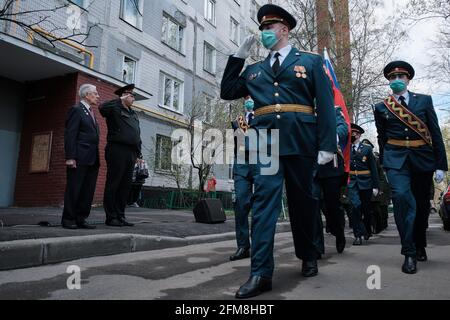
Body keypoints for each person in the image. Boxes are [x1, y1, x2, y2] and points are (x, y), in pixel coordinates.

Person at [221, 4, 337, 299]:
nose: (263, 34)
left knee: (304, 202)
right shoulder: (254, 70)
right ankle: (260, 273)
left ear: (284, 29)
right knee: (263, 208)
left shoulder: (309, 62)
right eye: (261, 29)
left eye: (268, 28)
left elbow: (324, 104)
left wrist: (327, 145)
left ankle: (308, 254)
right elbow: (227, 90)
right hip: (265, 141)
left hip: (301, 139)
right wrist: (238, 57)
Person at [374, 61, 448, 274]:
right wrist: (384, 163)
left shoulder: (424, 101)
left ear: (408, 79)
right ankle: (409, 252)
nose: (397, 80)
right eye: (392, 78)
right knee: (401, 200)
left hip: (422, 159)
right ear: (389, 81)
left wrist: (441, 164)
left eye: (401, 77)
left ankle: (420, 243)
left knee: (422, 206)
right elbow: (382, 137)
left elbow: (435, 133)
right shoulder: (382, 107)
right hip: (396, 160)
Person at [100, 84, 143, 227]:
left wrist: (139, 153)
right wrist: (119, 99)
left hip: (131, 152)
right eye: (131, 95)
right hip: (117, 149)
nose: (133, 98)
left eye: (133, 95)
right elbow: (102, 108)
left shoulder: (133, 113)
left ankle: (120, 215)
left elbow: (137, 134)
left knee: (125, 185)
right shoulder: (114, 108)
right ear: (123, 95)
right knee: (114, 183)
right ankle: (111, 217)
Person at [62, 84, 100, 230]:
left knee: (87, 191)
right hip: (79, 158)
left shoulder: (91, 112)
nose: (98, 96)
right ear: (86, 95)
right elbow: (70, 135)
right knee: (74, 189)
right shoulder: (76, 110)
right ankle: (68, 219)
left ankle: (81, 219)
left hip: (92, 159)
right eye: (95, 93)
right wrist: (70, 157)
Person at [316, 106, 349, 254]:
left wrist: (331, 136)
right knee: (313, 205)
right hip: (310, 164)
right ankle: (316, 246)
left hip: (330, 165)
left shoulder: (333, 109)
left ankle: (338, 232)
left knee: (332, 205)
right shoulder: (303, 106)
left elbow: (342, 127)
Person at [230, 96, 255, 261]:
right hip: (242, 165)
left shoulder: (265, 116)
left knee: (261, 207)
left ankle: (260, 245)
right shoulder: (238, 120)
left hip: (263, 163)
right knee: (240, 203)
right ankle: (243, 246)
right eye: (246, 98)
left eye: (251, 97)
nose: (249, 100)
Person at [348, 124, 379, 245]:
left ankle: (366, 229)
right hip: (353, 182)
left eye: (354, 134)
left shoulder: (366, 149)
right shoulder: (346, 149)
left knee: (366, 209)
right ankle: (358, 235)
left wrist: (376, 186)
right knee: (355, 207)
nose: (351, 136)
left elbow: (373, 168)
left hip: (366, 182)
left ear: (358, 135)